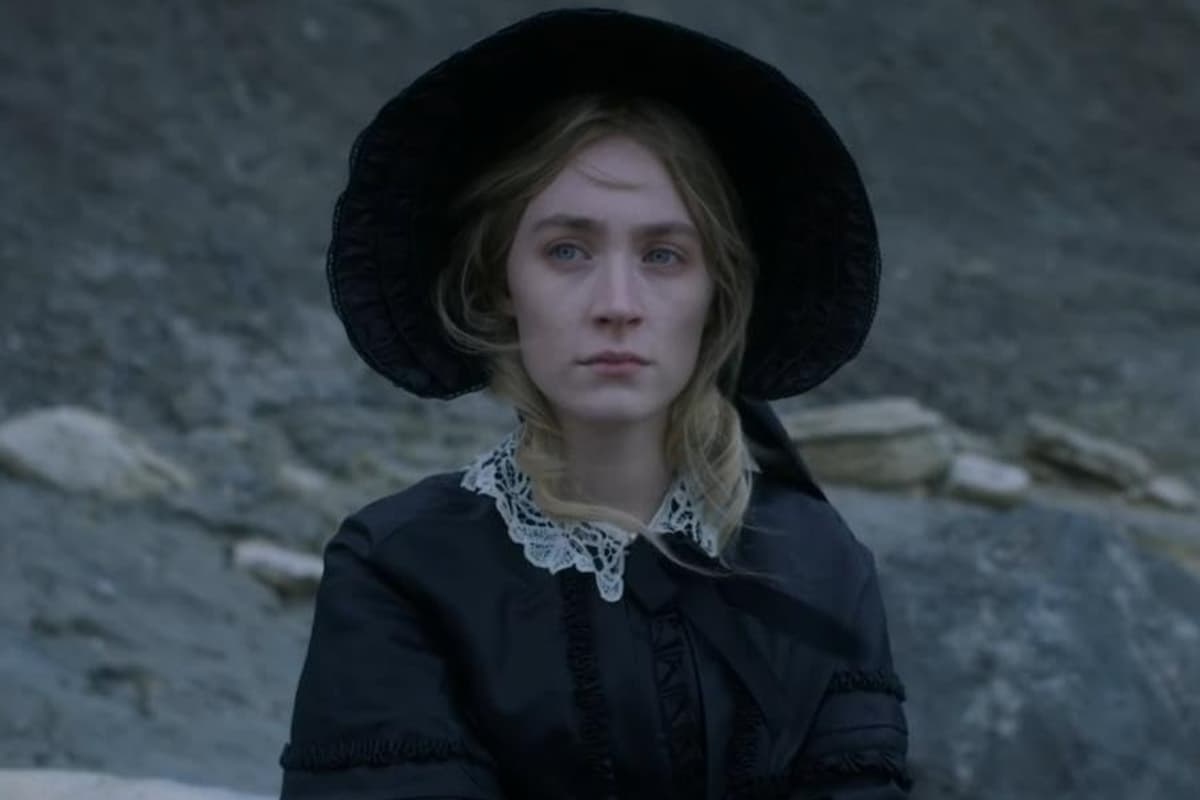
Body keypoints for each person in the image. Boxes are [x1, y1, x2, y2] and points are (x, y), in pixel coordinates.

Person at [279, 8, 912, 799]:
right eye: (567, 251)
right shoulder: (401, 568)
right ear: (499, 286)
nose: (617, 303)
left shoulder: (822, 565)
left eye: (663, 255)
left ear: (717, 294)